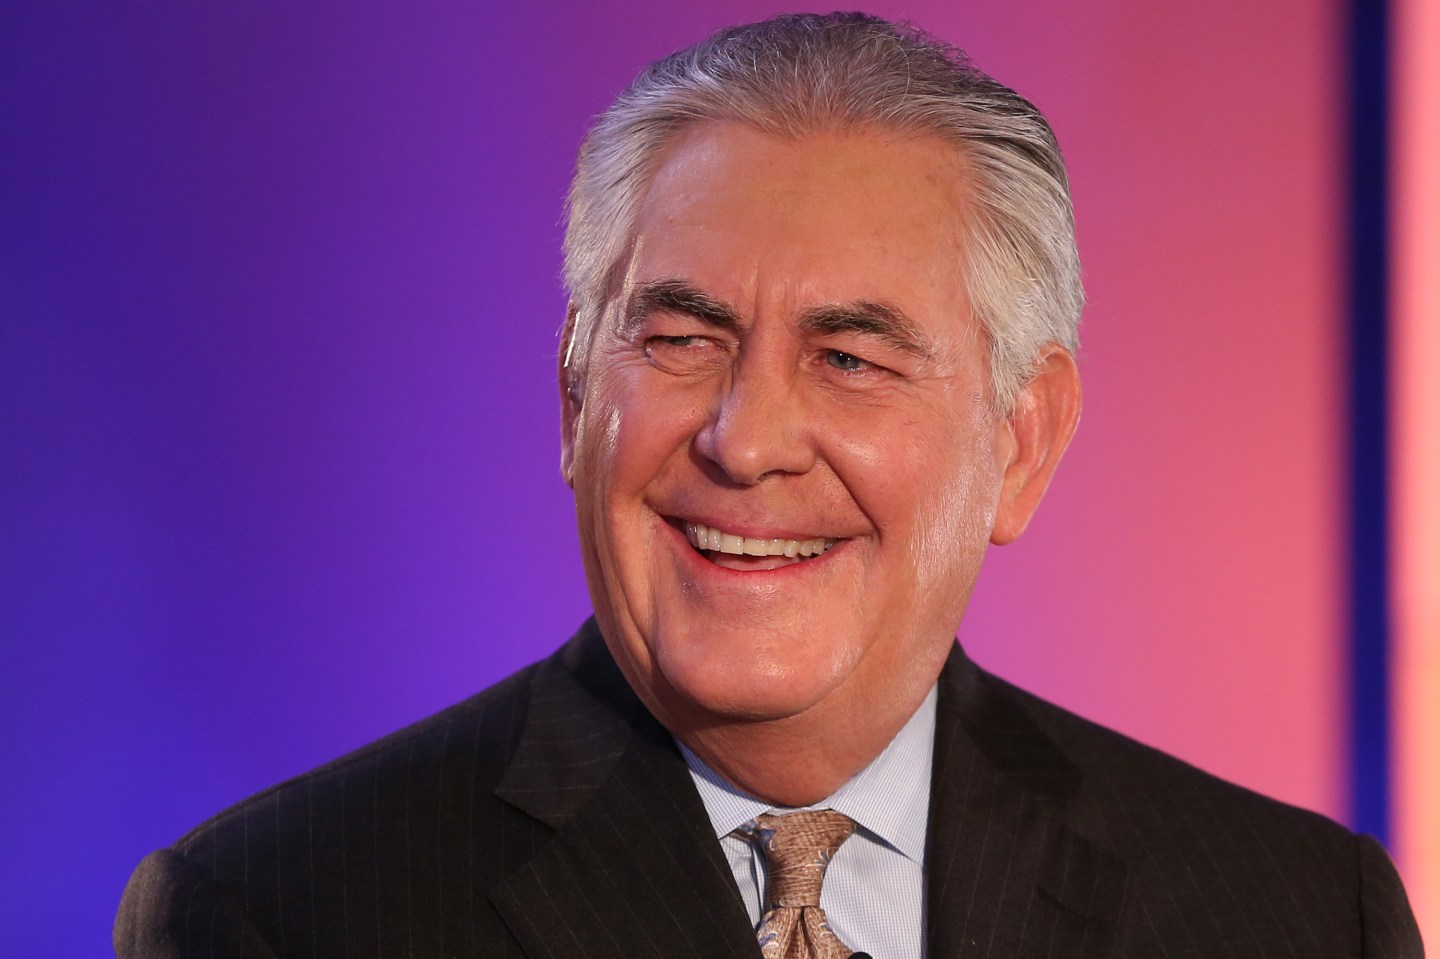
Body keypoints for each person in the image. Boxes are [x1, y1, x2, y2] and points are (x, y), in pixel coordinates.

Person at [115, 12, 1423, 959]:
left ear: (1022, 443)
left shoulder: (1299, 917)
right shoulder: (282, 913)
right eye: (682, 341)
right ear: (573, 396)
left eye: (850, 359)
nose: (746, 444)